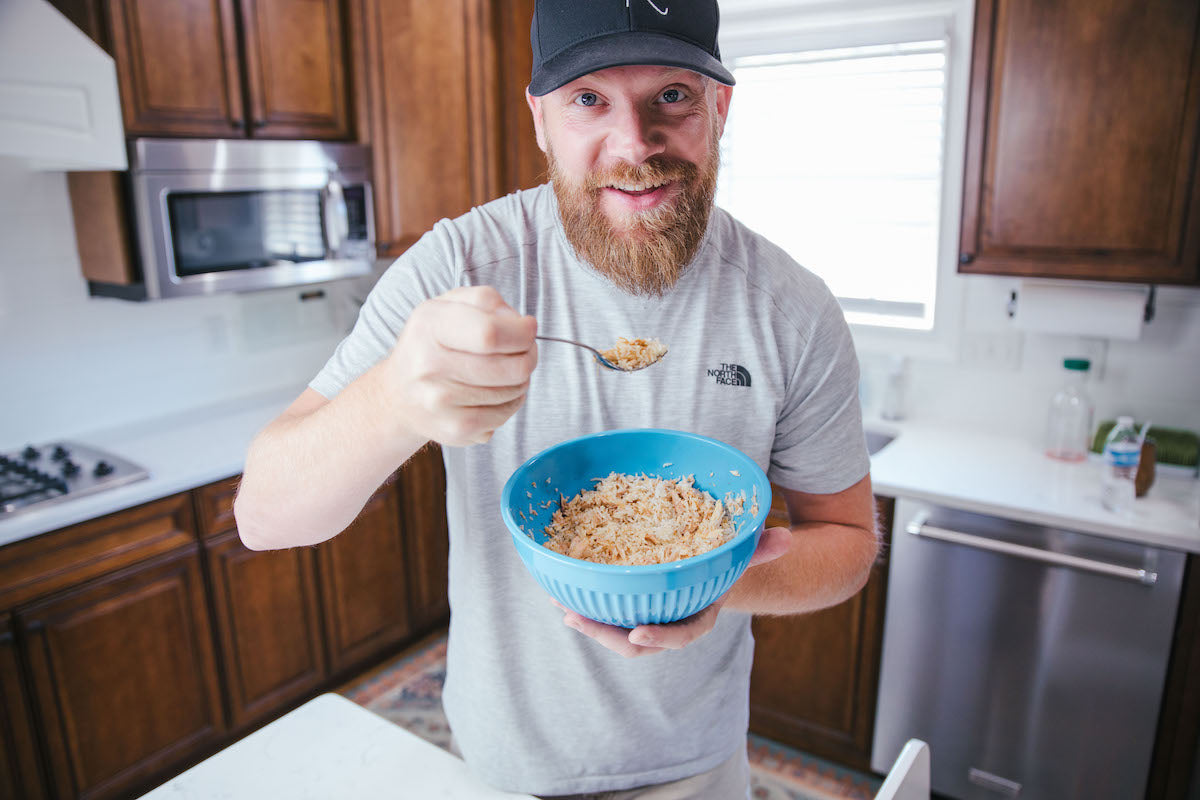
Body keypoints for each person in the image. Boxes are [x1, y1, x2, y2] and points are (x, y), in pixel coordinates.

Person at [234, 0, 878, 797]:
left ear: (721, 106)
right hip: (504, 762)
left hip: (698, 766)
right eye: (589, 100)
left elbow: (846, 544)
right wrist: (395, 398)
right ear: (540, 119)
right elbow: (263, 517)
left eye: (671, 96)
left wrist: (708, 582)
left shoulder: (790, 310)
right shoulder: (457, 266)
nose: (635, 146)